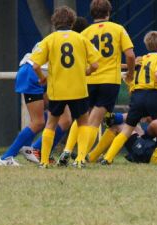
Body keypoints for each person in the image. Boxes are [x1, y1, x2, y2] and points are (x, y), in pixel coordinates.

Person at [57, 0, 135, 167]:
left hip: (89, 79)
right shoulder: (118, 29)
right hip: (109, 81)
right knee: (94, 121)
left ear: (92, 13)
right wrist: (130, 73)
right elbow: (130, 55)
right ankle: (81, 157)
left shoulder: (84, 33)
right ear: (109, 12)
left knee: (81, 117)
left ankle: (67, 150)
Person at [30, 6, 100, 169]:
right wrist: (86, 72)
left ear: (55, 22)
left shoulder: (49, 40)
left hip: (57, 90)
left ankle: (44, 161)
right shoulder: (81, 39)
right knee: (83, 123)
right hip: (78, 88)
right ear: (72, 21)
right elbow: (96, 64)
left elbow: (35, 65)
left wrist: (42, 79)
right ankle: (80, 160)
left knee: (51, 124)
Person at [101, 30, 157, 165]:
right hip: (153, 95)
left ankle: (107, 158)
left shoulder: (140, 60)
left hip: (137, 95)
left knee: (127, 129)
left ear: (146, 45)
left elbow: (130, 77)